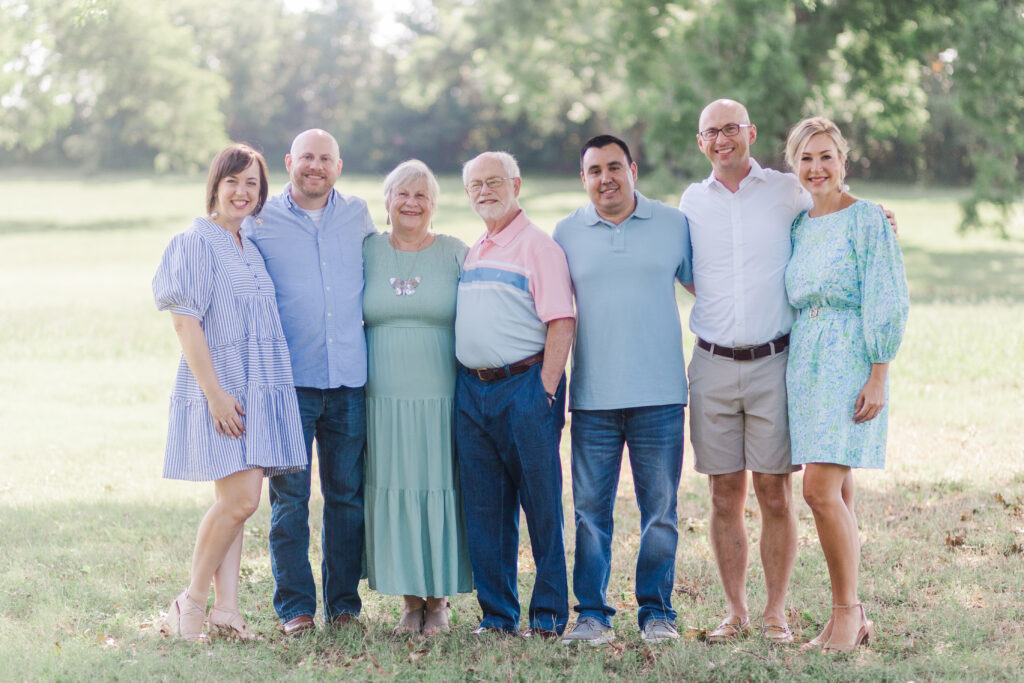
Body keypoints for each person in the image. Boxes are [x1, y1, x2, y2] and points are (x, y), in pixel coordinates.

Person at [154, 143, 306, 642]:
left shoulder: (249, 246)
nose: (242, 192)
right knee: (240, 502)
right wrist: (216, 395)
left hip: (258, 388)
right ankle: (190, 603)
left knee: (238, 501)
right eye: (233, 182)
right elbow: (185, 323)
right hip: (223, 390)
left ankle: (227, 610)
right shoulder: (194, 241)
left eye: (252, 184)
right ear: (215, 187)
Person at [679, 99, 812, 644]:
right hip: (711, 364)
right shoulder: (691, 200)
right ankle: (735, 611)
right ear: (701, 142)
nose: (721, 139)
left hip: (773, 363)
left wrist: (879, 215)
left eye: (730, 128)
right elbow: (687, 270)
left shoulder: (786, 190)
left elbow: (831, 208)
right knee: (722, 494)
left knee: (775, 494)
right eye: (711, 132)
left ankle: (775, 612)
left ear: (751, 132)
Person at [553, 135, 692, 645]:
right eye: (594, 170)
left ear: (633, 169)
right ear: (583, 178)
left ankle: (657, 613)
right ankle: (592, 614)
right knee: (590, 514)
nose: (605, 178)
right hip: (592, 399)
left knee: (660, 511)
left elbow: (718, 283)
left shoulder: (674, 225)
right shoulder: (566, 233)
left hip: (660, 396)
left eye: (615, 167)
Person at [243, 129, 377, 636]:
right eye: (306, 158)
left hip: (348, 381)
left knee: (346, 498)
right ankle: (295, 608)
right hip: (287, 385)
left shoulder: (358, 215)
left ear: (338, 166)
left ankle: (343, 607)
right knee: (290, 501)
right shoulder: (261, 219)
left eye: (325, 158)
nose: (315, 166)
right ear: (289, 162)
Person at [783, 116, 908, 653]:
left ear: (844, 161)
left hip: (849, 360)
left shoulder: (867, 221)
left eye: (826, 156)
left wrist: (879, 372)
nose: (817, 168)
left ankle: (845, 615)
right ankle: (850, 617)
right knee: (840, 491)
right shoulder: (799, 226)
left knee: (816, 491)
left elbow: (887, 294)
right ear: (795, 166)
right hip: (804, 363)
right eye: (806, 159)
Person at [454, 151, 576, 638]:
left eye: (494, 182)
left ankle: (547, 615)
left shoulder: (537, 247)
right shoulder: (475, 249)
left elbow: (561, 321)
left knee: (541, 506)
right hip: (472, 392)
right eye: (476, 185)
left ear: (516, 184)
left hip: (525, 389)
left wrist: (544, 391)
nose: (485, 191)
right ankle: (498, 616)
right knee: (485, 511)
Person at [362, 159, 473, 636]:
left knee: (441, 485)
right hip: (381, 399)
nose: (411, 203)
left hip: (442, 396)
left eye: (421, 195)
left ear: (434, 204)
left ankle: (440, 600)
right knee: (395, 485)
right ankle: (411, 602)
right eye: (402, 194)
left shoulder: (455, 253)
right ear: (386, 202)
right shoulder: (365, 251)